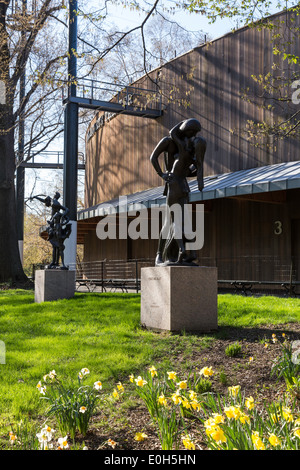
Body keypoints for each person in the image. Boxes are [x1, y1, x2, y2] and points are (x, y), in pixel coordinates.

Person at [150, 119, 206, 266]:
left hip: (178, 186)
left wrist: (182, 171)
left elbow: (188, 171)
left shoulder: (186, 150)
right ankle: (167, 254)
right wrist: (162, 174)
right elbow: (153, 157)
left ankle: (178, 252)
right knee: (174, 221)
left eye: (194, 134)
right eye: (191, 132)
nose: (192, 136)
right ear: (184, 129)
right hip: (176, 186)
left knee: (174, 221)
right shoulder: (170, 142)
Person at [30, 192, 71, 269]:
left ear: (56, 196)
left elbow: (66, 210)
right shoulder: (54, 204)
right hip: (53, 225)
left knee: (58, 246)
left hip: (57, 227)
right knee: (54, 246)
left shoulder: (55, 203)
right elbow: (45, 201)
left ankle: (59, 263)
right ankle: (54, 262)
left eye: (54, 195)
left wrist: (63, 217)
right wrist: (36, 197)